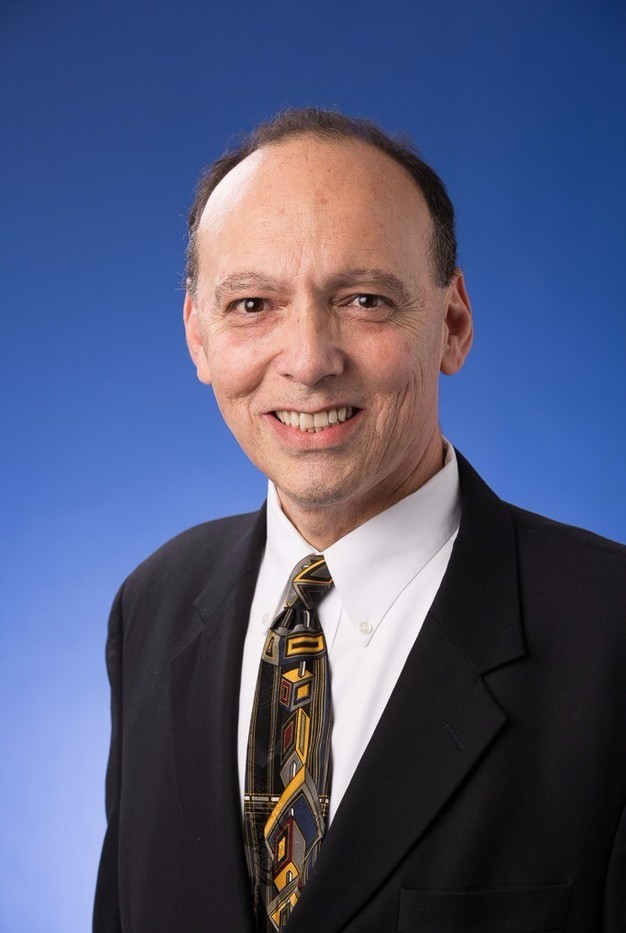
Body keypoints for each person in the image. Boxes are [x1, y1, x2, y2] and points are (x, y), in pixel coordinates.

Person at [93, 109, 626, 933]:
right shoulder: (152, 608)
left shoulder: (611, 632)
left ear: (452, 324)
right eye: (252, 303)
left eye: (365, 299)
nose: (309, 360)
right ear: (198, 336)